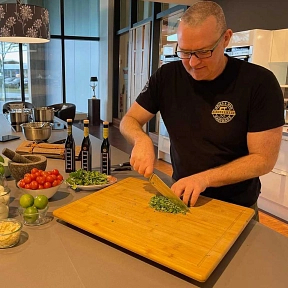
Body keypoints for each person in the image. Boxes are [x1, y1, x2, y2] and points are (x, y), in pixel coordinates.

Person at [119, 1, 284, 220]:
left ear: (226, 38)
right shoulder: (166, 77)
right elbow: (129, 120)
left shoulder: (259, 83)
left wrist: (204, 179)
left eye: (203, 52)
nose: (193, 63)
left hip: (237, 207)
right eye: (185, 52)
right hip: (182, 197)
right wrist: (141, 140)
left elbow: (263, 159)